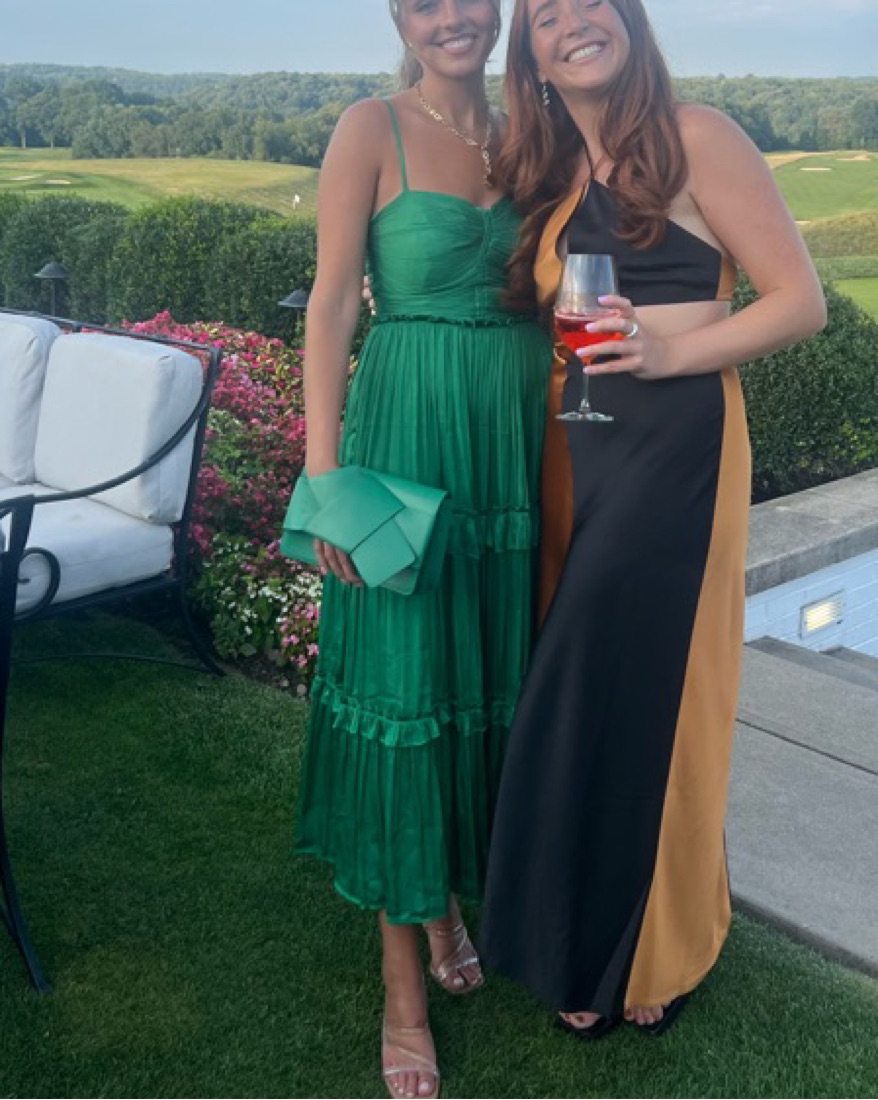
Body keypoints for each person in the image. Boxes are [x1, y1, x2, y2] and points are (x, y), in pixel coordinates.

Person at [480, 0, 826, 1039]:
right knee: (587, 688)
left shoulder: (696, 136)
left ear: (627, 20)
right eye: (546, 16)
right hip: (574, 452)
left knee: (656, 697)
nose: (573, 22)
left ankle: (659, 948)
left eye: (590, 1)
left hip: (674, 452)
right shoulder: (558, 173)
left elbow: (798, 300)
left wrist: (671, 352)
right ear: (532, 59)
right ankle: (578, 934)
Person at [295, 1, 551, 1096]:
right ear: (399, 16)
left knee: (494, 676)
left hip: (514, 444)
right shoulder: (371, 126)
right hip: (407, 434)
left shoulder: (532, 132)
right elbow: (329, 308)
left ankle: (451, 895)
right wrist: (324, 478)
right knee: (407, 688)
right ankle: (402, 990)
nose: (454, 17)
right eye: (425, 1)